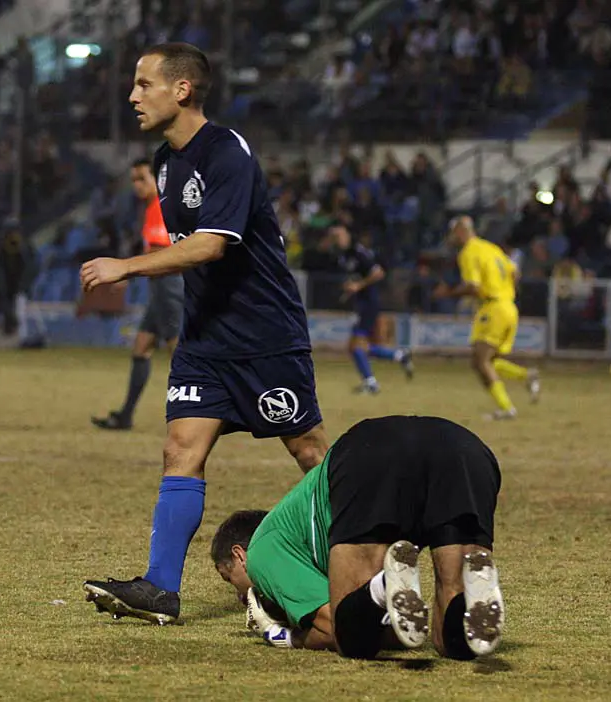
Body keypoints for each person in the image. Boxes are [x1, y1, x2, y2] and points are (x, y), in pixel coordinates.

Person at [80, 42, 330, 624]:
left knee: (311, 452)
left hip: (263, 334)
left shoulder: (226, 151)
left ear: (182, 89)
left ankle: (362, 560)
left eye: (144, 84)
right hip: (205, 340)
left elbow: (213, 244)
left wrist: (127, 265)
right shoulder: (166, 164)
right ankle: (161, 590)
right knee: (180, 451)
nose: (132, 95)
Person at [212, 415, 504, 660]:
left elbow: (333, 631)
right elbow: (403, 636)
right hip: (463, 448)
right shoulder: (296, 530)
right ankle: (470, 591)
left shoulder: (262, 551)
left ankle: (381, 587)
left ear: (240, 555)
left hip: (372, 452)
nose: (239, 596)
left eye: (230, 579)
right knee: (451, 641)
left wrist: (284, 636)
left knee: (352, 638)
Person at [91, 158, 184, 430]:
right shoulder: (152, 207)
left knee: (180, 355)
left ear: (157, 179)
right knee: (141, 347)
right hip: (160, 288)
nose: (137, 186)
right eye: (133, 180)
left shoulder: (159, 208)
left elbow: (159, 253)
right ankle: (126, 416)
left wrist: (126, 272)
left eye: (142, 179)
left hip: (169, 286)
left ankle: (194, 418)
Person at [435, 216, 540, 419]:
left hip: (492, 307)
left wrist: (447, 293)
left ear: (459, 231)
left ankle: (507, 408)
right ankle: (527, 376)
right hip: (508, 306)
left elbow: (472, 286)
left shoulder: (468, 252)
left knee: (480, 361)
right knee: (489, 360)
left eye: (452, 233)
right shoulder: (491, 248)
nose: (451, 238)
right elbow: (515, 273)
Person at [328, 223, 413, 393]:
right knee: (358, 347)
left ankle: (371, 383)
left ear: (347, 236)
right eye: (334, 237)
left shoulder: (358, 252)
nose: (337, 239)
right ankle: (399, 356)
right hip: (362, 303)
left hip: (369, 303)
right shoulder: (342, 256)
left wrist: (358, 286)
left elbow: (378, 273)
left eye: (339, 235)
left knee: (356, 346)